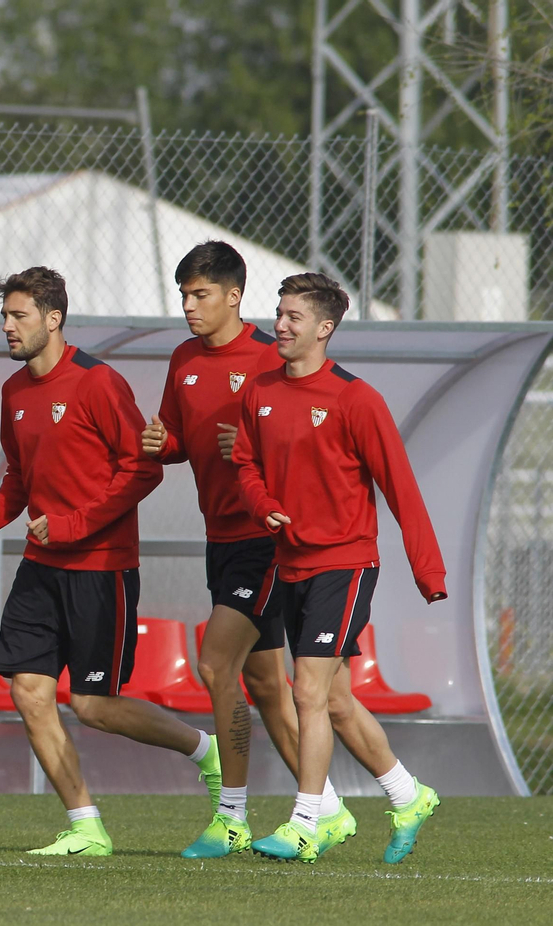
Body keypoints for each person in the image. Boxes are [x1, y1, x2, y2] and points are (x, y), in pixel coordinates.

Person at [0, 267, 221, 857]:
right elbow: (20, 478)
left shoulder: (99, 382)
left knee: (93, 706)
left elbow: (143, 468)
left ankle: (204, 752)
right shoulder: (14, 392)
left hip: (101, 567)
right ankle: (85, 825)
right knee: (28, 691)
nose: (7, 326)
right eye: (4, 315)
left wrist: (74, 524)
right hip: (40, 566)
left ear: (52, 319)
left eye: (18, 315)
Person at [141, 242, 353, 858]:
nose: (189, 306)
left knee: (214, 665)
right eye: (183, 295)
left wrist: (255, 442)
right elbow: (180, 440)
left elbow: (302, 446)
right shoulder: (183, 358)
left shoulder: (269, 356)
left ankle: (230, 815)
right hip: (219, 536)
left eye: (200, 294)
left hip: (265, 539)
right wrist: (164, 440)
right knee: (264, 685)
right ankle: (330, 811)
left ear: (233, 296)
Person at [235, 273, 445, 864]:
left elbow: (401, 489)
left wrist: (429, 572)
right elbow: (245, 465)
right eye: (278, 313)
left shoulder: (357, 400)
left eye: (293, 317)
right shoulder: (259, 391)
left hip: (345, 564)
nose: (280, 324)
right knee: (334, 701)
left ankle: (308, 823)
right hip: (291, 565)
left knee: (306, 690)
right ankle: (409, 796)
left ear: (325, 329)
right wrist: (263, 505)